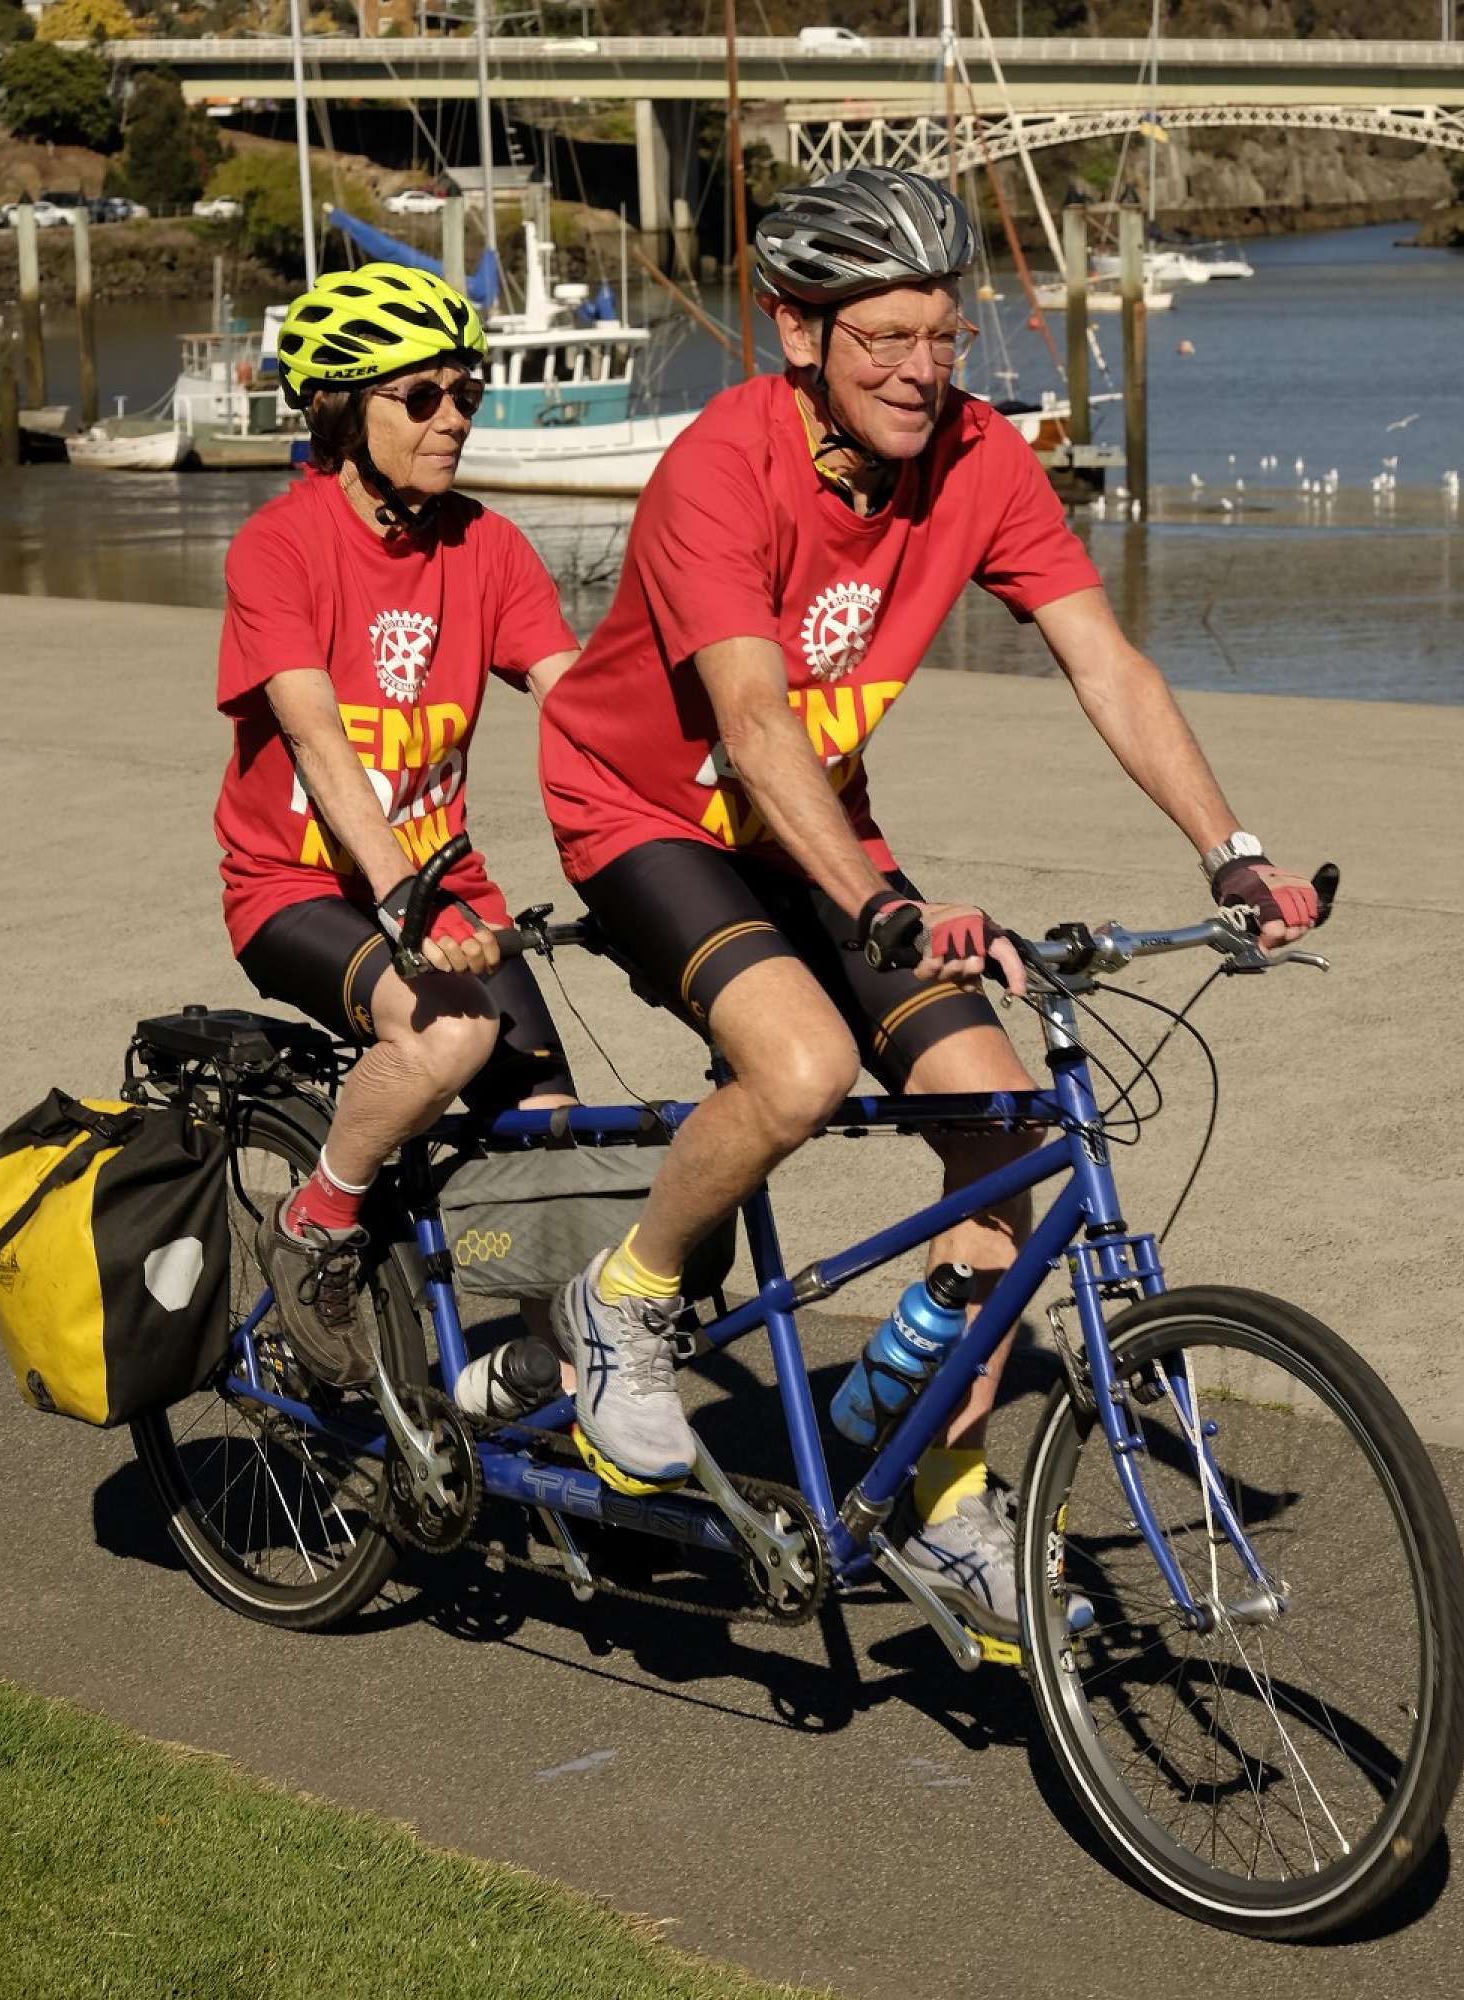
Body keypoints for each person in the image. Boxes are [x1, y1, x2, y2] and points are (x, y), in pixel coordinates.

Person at [537, 168, 1319, 1640]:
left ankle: (935, 1484)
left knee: (1005, 1137)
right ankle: (623, 1300)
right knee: (801, 1065)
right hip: (646, 811)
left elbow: (1104, 661)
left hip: (820, 826)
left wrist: (1228, 849)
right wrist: (880, 904)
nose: (919, 369)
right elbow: (751, 725)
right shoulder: (720, 466)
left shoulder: (979, 458)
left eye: (942, 335)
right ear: (799, 334)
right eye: (883, 338)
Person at [214, 263, 580, 1389]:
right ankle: (315, 1223)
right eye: (421, 396)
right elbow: (318, 740)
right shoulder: (280, 544)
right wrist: (401, 893)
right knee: (447, 1037)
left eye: (465, 393)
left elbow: (579, 700)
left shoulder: (488, 546)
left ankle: (560, 1406)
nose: (453, 418)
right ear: (341, 408)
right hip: (296, 887)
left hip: (442, 892)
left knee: (556, 1152)